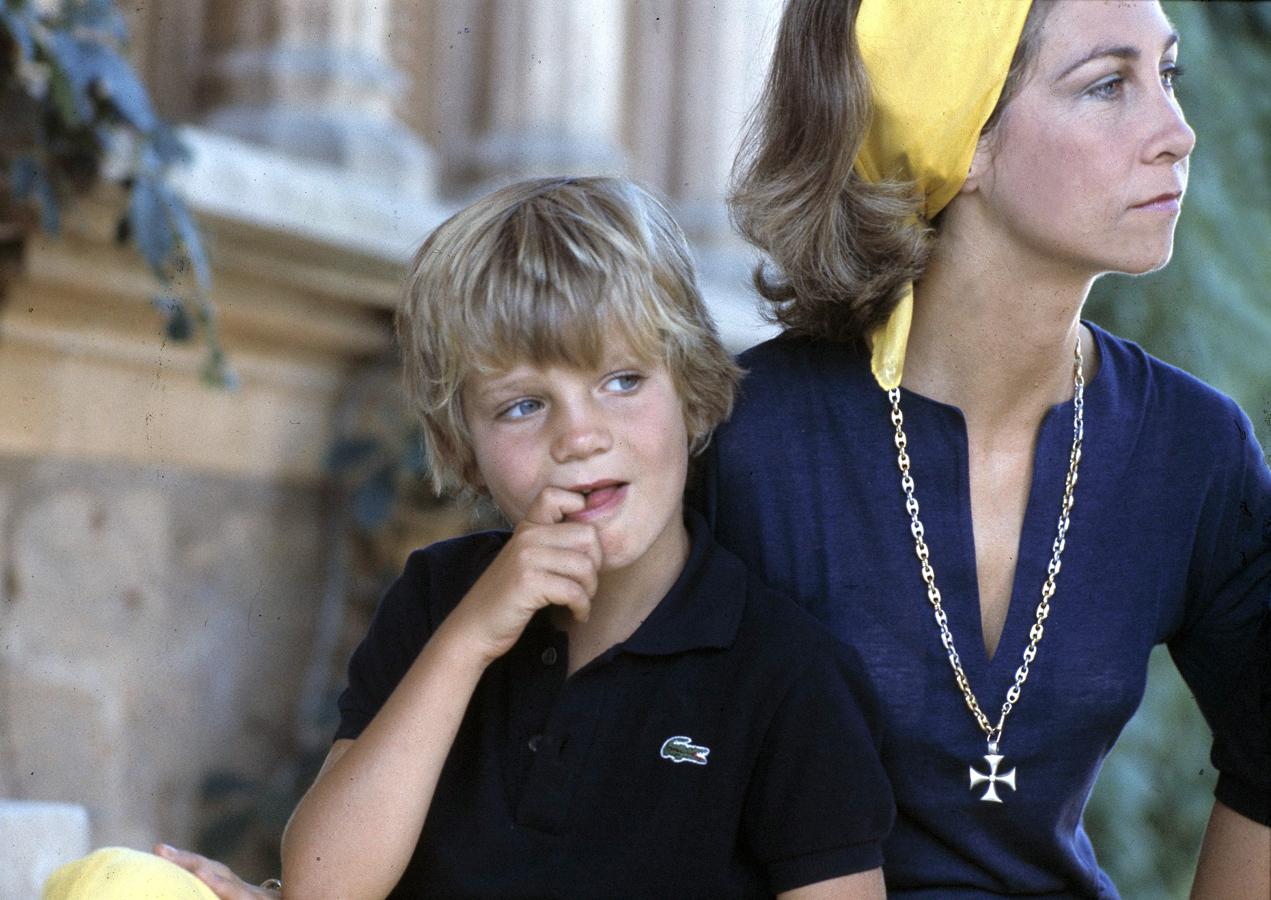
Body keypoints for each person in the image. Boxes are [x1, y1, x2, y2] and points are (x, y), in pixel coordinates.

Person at [143, 176, 895, 898]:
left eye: (622, 381)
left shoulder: (784, 674)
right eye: (522, 405)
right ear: (462, 443)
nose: (579, 435)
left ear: (693, 394)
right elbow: (325, 886)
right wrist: (469, 638)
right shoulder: (438, 601)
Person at [697, 0, 1270, 897]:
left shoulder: (1191, 451)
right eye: (1108, 84)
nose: (1177, 132)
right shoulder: (743, 443)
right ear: (952, 135)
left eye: (1168, 75)